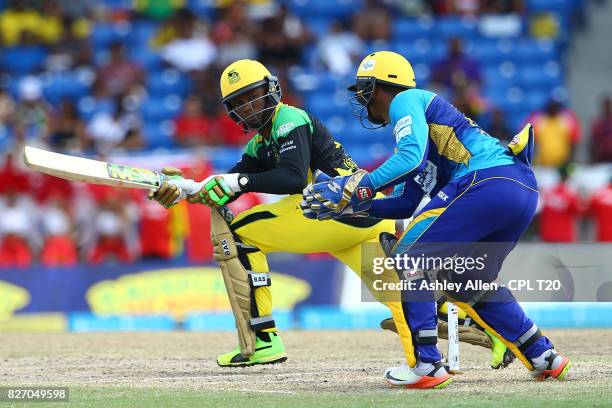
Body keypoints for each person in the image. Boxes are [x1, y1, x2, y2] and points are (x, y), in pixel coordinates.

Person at [149, 59, 506, 369]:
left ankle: (262, 341)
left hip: (339, 211)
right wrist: (184, 190)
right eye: (239, 103)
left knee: (238, 233)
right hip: (363, 220)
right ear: (231, 112)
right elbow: (225, 186)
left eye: (253, 94)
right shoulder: (259, 143)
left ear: (272, 89)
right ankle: (495, 334)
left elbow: (290, 178)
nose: (249, 106)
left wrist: (236, 181)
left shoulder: (290, 119)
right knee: (406, 299)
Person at [302, 51, 571, 389]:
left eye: (366, 89)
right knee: (467, 283)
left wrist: (359, 186)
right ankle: (543, 356)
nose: (363, 98)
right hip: (520, 190)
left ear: (384, 87)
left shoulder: (407, 99)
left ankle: (427, 364)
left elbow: (408, 157)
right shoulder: (426, 135)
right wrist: (352, 208)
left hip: (485, 181)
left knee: (410, 256)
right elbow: (405, 204)